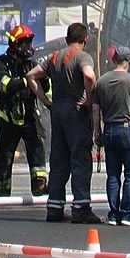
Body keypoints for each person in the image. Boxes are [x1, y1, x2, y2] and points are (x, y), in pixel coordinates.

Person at [27, 22, 100, 224]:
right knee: (80, 158)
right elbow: (89, 75)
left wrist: (46, 101)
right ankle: (81, 208)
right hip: (75, 112)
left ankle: (55, 208)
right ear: (85, 39)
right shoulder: (83, 56)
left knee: (59, 160)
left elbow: (31, 75)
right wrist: (88, 98)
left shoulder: (54, 57)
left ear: (67, 38)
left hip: (57, 112)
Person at [92, 46, 130, 226]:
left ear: (113, 60)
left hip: (108, 129)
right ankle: (128, 213)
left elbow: (95, 109)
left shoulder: (101, 81)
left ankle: (113, 214)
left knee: (113, 175)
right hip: (128, 129)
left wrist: (97, 132)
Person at [0, 25, 50, 197]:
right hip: (8, 117)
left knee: (37, 147)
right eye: (24, 43)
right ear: (15, 45)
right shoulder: (2, 64)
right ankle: (2, 191)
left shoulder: (32, 64)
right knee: (5, 156)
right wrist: (28, 80)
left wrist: (44, 78)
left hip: (29, 115)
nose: (28, 47)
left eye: (29, 43)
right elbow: (5, 85)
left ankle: (39, 185)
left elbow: (45, 88)